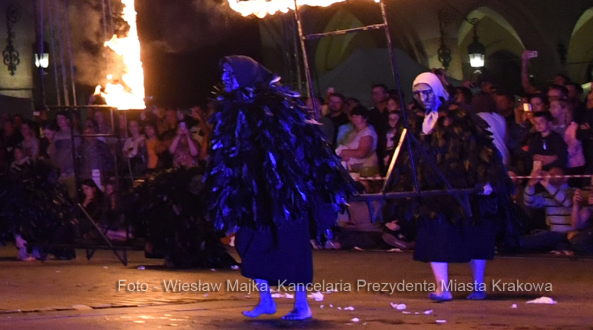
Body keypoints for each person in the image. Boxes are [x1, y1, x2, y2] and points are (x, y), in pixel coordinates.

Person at [205, 56, 354, 321]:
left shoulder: (278, 103)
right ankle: (266, 300)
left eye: (231, 72)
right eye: (224, 73)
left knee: (291, 246)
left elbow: (302, 142)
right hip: (253, 191)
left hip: (285, 191)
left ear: (246, 74)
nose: (226, 78)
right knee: (249, 242)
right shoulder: (231, 109)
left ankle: (301, 304)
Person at [390, 73, 513, 302]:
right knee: (435, 236)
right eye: (417, 93)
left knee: (474, 235)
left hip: (463, 187)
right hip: (431, 190)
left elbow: (481, 149)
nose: (422, 97)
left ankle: (478, 286)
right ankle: (442, 288)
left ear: (436, 90)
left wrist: (487, 179)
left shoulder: (461, 116)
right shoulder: (415, 121)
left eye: (426, 91)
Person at [335, 106, 379, 177]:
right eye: (353, 116)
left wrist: (342, 152)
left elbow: (362, 153)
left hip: (365, 170)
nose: (354, 118)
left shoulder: (368, 132)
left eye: (358, 115)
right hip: (352, 170)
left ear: (365, 118)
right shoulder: (351, 132)